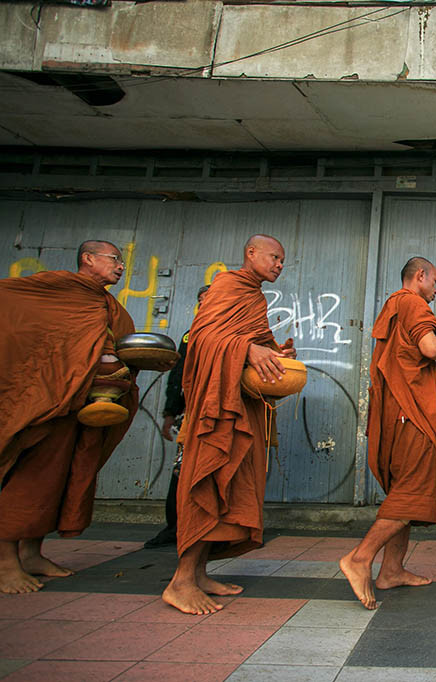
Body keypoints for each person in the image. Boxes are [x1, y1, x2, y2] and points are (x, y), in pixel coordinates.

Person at [162, 234, 295, 615]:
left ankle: (200, 573)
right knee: (206, 483)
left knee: (228, 487)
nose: (279, 265)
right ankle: (181, 581)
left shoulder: (254, 297)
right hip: (215, 409)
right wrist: (248, 349)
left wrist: (276, 354)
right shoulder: (225, 284)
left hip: (241, 407)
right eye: (274, 257)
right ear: (251, 254)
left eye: (283, 261)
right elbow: (201, 339)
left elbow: (252, 342)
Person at [0, 241, 138, 593]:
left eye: (122, 262)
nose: (120, 267)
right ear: (88, 259)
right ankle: (5, 564)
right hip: (47, 404)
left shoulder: (109, 306)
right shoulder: (57, 289)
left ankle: (32, 552)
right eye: (114, 260)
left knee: (56, 482)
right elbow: (21, 321)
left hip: (83, 410)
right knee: (27, 481)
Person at [339, 257, 436, 610]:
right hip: (410, 418)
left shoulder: (393, 306)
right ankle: (360, 558)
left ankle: (392, 570)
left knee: (404, 492)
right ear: (420, 276)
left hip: (397, 413)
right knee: (413, 487)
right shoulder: (412, 303)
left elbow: (410, 366)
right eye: (435, 281)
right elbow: (429, 348)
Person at [144, 285, 210, 550]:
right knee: (182, 471)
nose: (206, 305)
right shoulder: (190, 336)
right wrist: (170, 414)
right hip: (193, 415)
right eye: (202, 300)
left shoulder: (230, 332)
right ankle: (175, 527)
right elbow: (179, 378)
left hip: (220, 416)